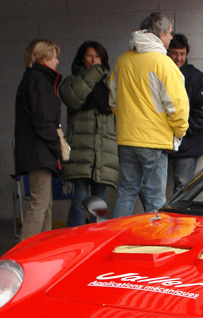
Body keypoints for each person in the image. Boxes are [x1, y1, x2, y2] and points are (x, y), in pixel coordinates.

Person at [109, 11, 189, 217]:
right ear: (161, 34)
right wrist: (179, 131)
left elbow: (112, 100)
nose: (171, 38)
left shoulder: (123, 60)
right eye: (170, 33)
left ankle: (118, 241)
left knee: (127, 191)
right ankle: (155, 246)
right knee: (155, 197)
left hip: (127, 138)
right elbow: (178, 105)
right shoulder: (163, 63)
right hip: (154, 140)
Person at [59, 41, 120, 227]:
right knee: (80, 198)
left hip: (103, 152)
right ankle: (73, 239)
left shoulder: (110, 83)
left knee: (99, 201)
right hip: (81, 151)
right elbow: (74, 99)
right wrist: (93, 73)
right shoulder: (71, 81)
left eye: (97, 56)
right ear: (81, 58)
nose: (94, 60)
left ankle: (95, 239)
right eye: (89, 56)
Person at [14, 38, 62, 240]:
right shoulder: (38, 80)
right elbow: (43, 119)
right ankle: (25, 252)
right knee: (39, 203)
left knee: (45, 203)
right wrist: (55, 145)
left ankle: (43, 246)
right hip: (39, 150)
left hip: (37, 149)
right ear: (44, 59)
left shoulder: (34, 79)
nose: (57, 61)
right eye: (54, 57)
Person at [167, 33, 203, 194]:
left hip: (188, 143)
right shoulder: (160, 74)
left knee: (182, 187)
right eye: (174, 53)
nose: (178, 58)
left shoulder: (196, 77)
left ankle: (179, 220)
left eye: (182, 54)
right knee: (152, 188)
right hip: (163, 140)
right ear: (168, 52)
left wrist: (183, 130)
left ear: (187, 53)